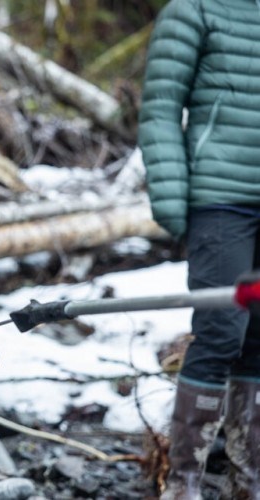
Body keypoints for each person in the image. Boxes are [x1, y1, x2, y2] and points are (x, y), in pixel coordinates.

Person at [138, 0, 260, 498]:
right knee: (220, 333)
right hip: (221, 200)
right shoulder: (195, 9)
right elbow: (162, 104)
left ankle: (247, 482)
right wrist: (172, 195)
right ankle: (183, 483)